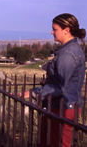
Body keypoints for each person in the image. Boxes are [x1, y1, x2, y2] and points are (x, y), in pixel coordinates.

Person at [24, 13, 86, 147]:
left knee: (57, 143)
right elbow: (63, 80)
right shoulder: (69, 49)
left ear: (67, 30)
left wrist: (33, 93)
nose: (52, 32)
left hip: (63, 107)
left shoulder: (68, 53)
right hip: (60, 105)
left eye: (55, 29)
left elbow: (59, 86)